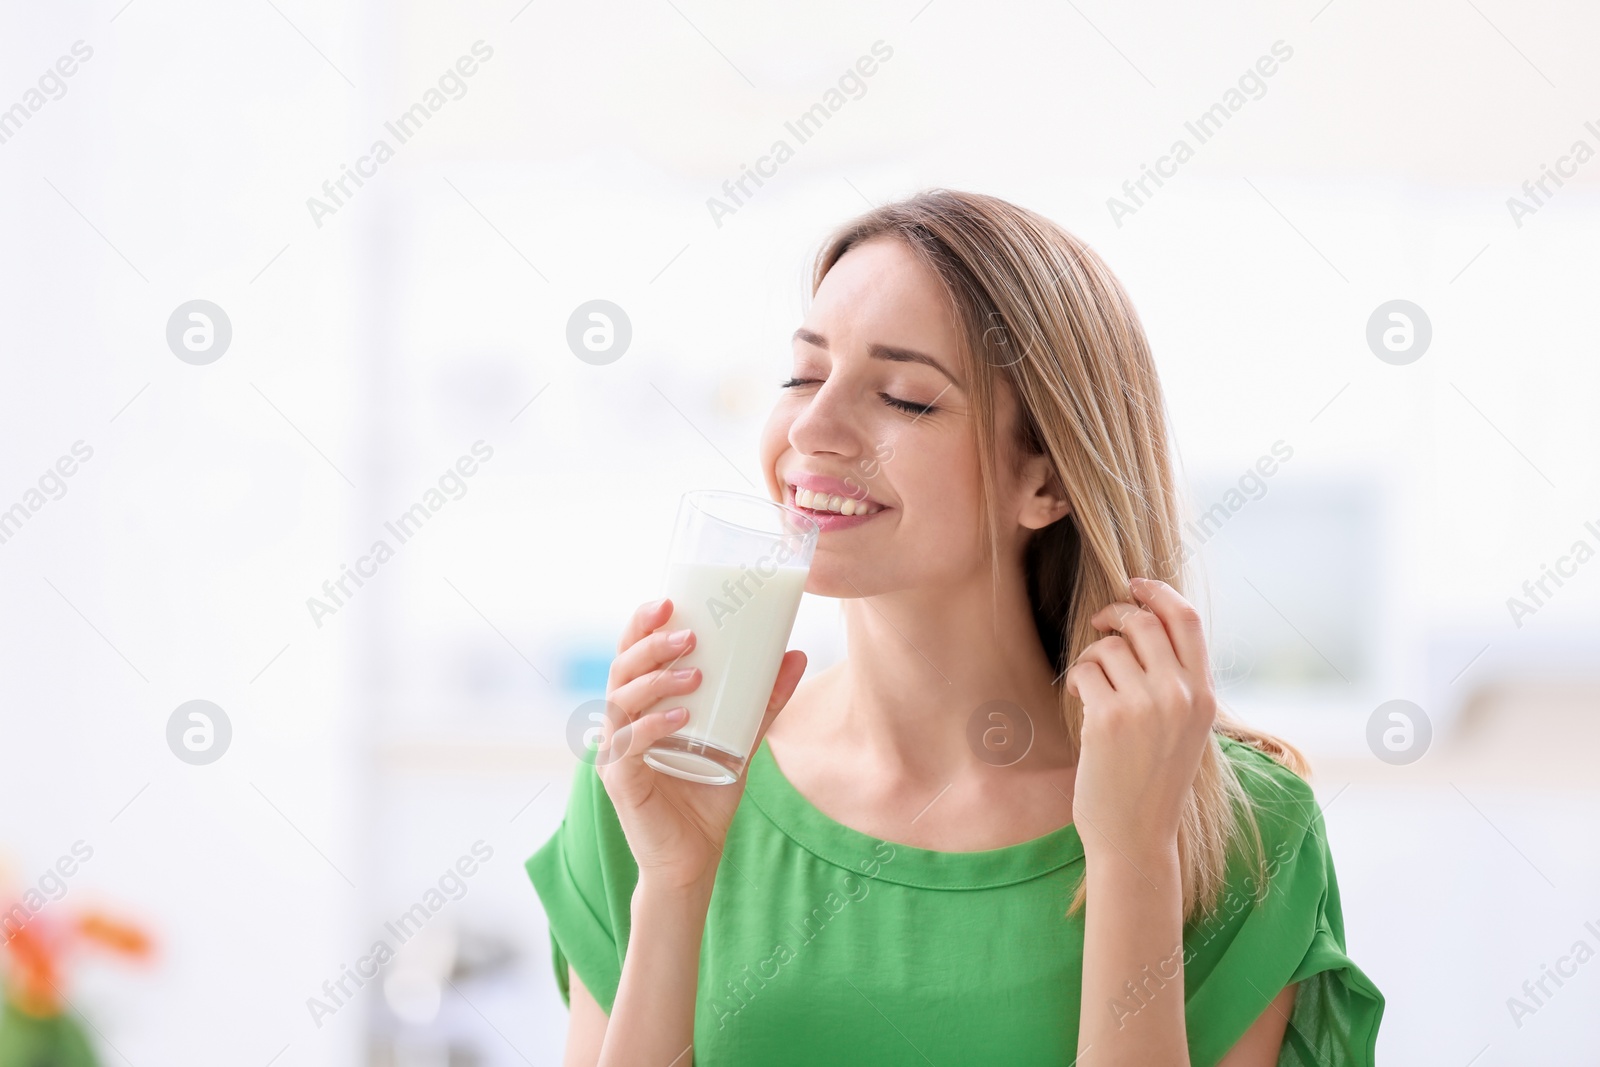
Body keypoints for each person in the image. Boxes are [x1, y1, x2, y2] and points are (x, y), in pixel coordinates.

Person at [527, 188, 1385, 1066]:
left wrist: (1134, 859)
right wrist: (672, 885)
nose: (812, 429)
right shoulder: (657, 768)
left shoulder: (1234, 826)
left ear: (1045, 482)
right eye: (805, 375)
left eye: (903, 398)